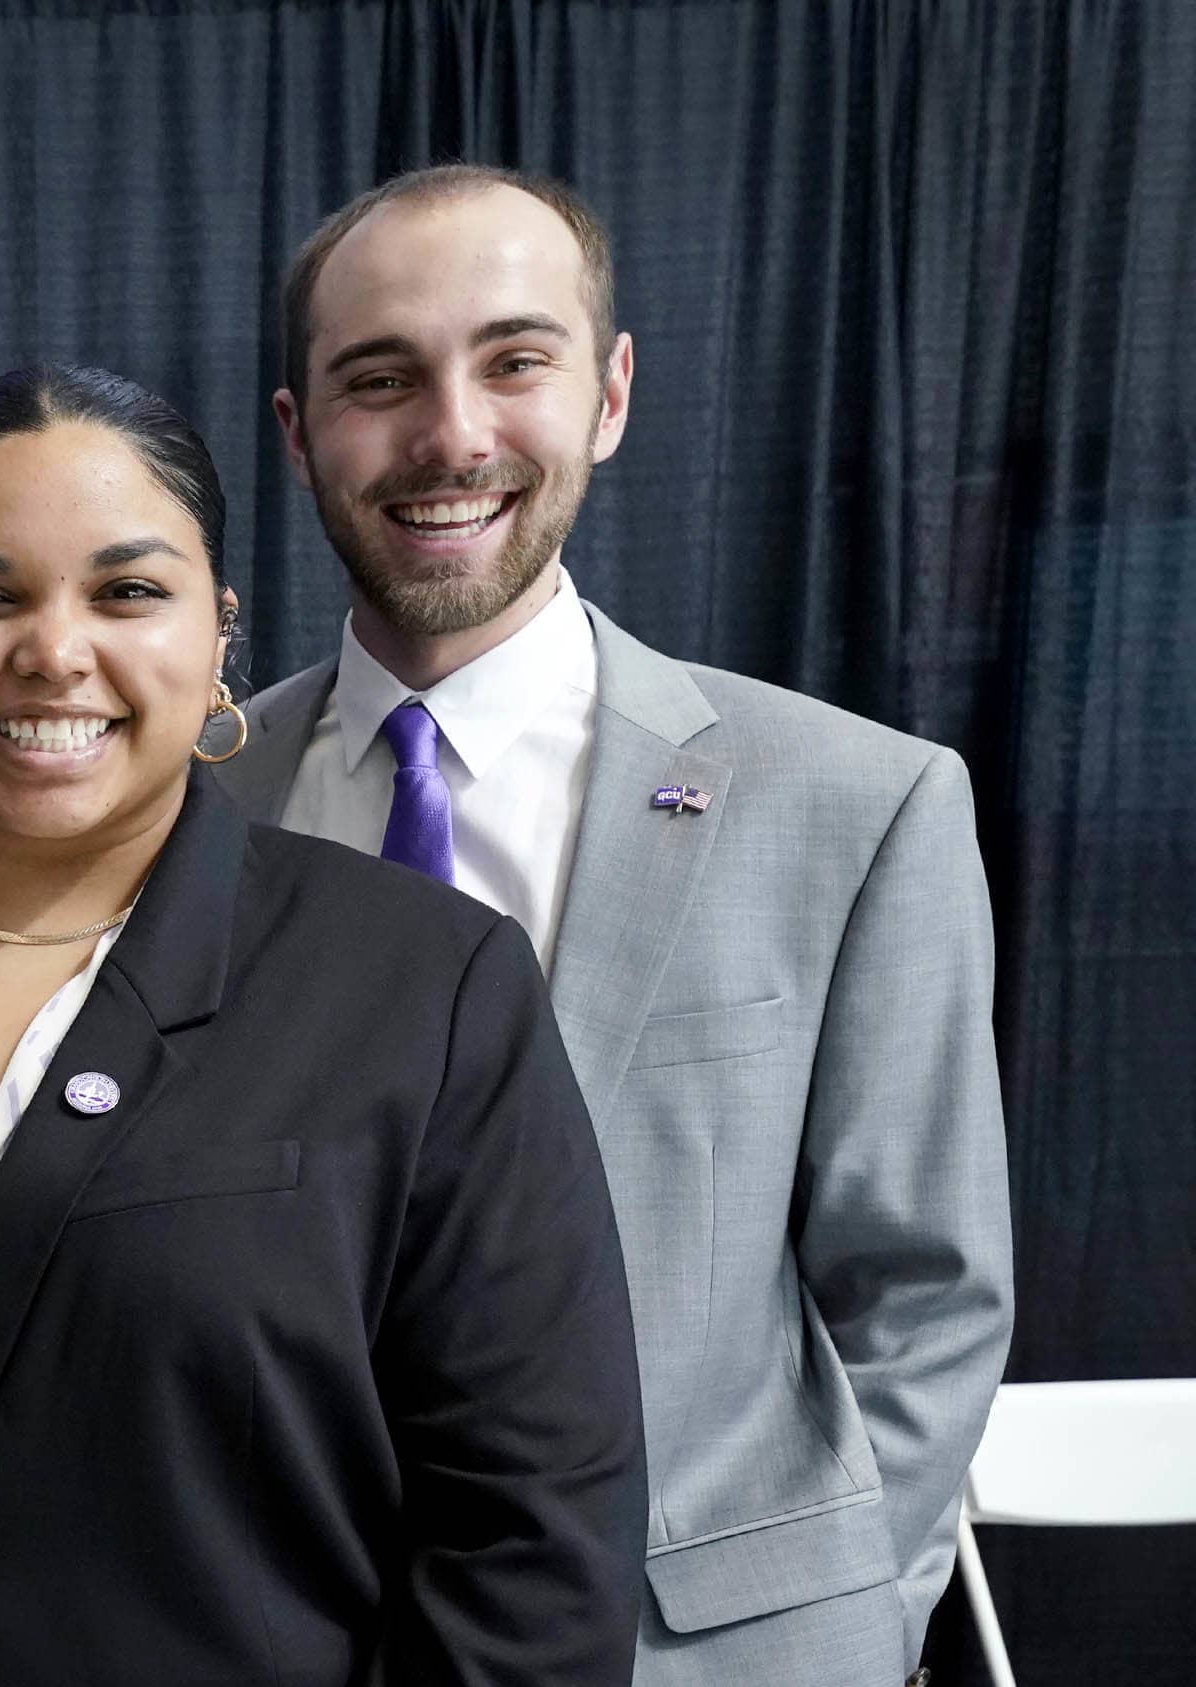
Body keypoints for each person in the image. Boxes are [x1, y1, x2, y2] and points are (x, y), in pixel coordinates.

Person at [0, 364, 647, 1685]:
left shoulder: (425, 988)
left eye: (126, 591)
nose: (55, 648)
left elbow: (537, 1541)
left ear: (218, 632)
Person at [220, 164, 1011, 1685]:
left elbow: (927, 1297)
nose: (451, 433)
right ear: (295, 429)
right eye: (379, 378)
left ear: (612, 393)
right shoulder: (193, 809)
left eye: (515, 360)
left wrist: (844, 1633)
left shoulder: (858, 804)